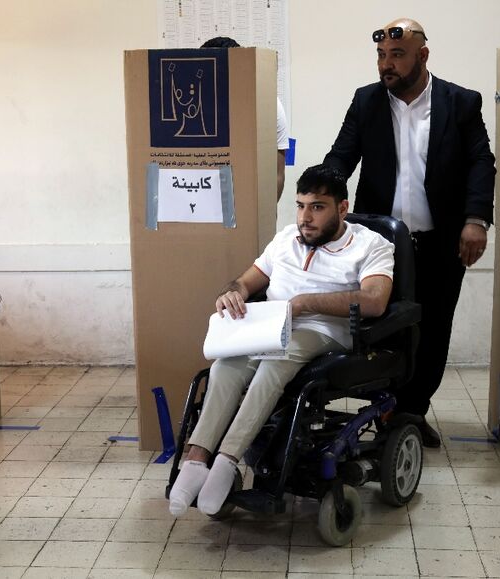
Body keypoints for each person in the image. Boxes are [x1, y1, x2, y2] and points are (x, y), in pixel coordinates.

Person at [168, 164, 395, 517]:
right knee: (225, 367)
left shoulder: (371, 245)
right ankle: (197, 461)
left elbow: (375, 300)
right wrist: (233, 293)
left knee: (274, 363)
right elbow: (246, 281)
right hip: (271, 325)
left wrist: (306, 303)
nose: (306, 217)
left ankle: (227, 462)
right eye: (301, 205)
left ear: (342, 208)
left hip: (324, 330)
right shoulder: (285, 239)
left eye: (317, 207)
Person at [323, 18, 496, 448]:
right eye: (382, 56)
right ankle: (384, 410)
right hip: (380, 245)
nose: (387, 65)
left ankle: (412, 414)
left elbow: (480, 162)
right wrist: (320, 196)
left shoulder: (461, 103)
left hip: (440, 241)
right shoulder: (367, 102)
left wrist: (476, 220)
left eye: (397, 55)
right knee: (382, 328)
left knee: (434, 329)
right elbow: (341, 157)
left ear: (422, 55)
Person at [200, 36, 290, 199]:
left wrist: (265, 217)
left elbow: (276, 173)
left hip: (248, 201)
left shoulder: (267, 103)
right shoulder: (193, 106)